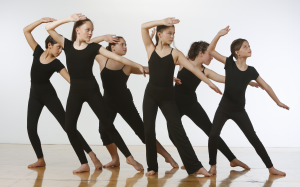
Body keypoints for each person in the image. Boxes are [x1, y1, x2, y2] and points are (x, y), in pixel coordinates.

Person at [46, 13, 145, 173]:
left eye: (92, 30)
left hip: (92, 91)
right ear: (77, 30)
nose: (90, 32)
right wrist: (68, 19)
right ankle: (85, 162)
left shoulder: (94, 48)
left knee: (107, 125)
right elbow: (48, 28)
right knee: (69, 127)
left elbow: (117, 58)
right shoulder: (67, 45)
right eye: (87, 29)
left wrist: (138, 65)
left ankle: (129, 157)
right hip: (75, 92)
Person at [141, 17, 222, 176]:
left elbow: (194, 69)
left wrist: (208, 83)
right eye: (169, 33)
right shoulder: (150, 48)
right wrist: (162, 20)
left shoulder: (175, 53)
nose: (172, 36)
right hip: (150, 95)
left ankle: (195, 166)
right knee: (149, 131)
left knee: (178, 131)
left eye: (173, 33)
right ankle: (152, 167)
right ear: (159, 34)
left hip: (167, 98)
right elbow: (143, 27)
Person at [207, 26, 289, 176]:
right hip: (224, 107)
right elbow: (211, 51)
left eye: (249, 46)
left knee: (253, 138)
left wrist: (277, 101)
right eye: (246, 46)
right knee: (213, 135)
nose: (249, 48)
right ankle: (213, 166)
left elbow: (266, 86)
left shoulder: (251, 71)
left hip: (239, 110)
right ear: (237, 53)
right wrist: (219, 34)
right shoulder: (229, 63)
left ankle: (271, 168)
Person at [23, 17, 101, 169]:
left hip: (49, 96)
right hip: (34, 95)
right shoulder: (37, 51)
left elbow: (72, 80)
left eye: (61, 48)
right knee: (31, 128)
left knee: (68, 127)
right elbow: (26, 31)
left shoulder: (57, 63)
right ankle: (40, 159)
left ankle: (91, 155)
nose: (60, 51)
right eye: (58, 47)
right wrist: (41, 21)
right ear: (49, 45)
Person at [92, 35, 178, 168]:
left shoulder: (128, 65)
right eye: (122, 44)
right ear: (112, 47)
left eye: (126, 44)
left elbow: (150, 70)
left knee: (143, 133)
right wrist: (103, 38)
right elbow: (87, 46)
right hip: (108, 102)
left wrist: (169, 76)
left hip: (125, 103)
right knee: (103, 131)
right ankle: (115, 159)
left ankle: (168, 157)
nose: (125, 47)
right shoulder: (102, 58)